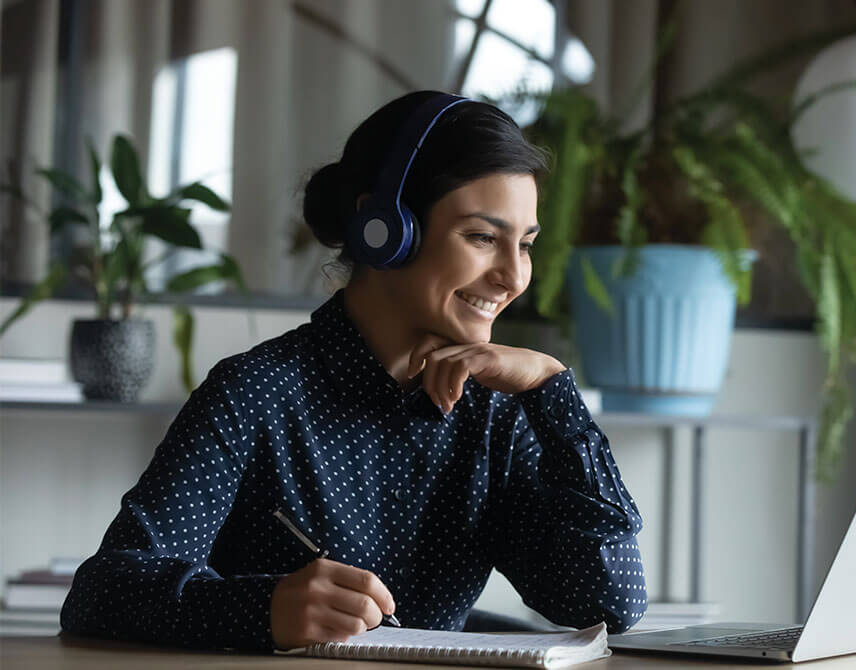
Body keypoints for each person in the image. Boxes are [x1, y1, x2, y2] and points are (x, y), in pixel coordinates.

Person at [60, 91, 647, 651]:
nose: (513, 277)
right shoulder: (255, 393)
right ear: (384, 229)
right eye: (481, 237)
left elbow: (610, 602)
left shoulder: (498, 413)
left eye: (525, 245)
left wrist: (551, 388)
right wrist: (265, 610)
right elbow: (102, 594)